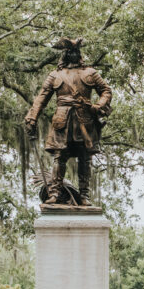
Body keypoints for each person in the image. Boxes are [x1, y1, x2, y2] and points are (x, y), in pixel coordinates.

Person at [25, 36, 112, 204]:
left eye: (75, 51)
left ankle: (84, 195)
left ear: (79, 54)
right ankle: (55, 193)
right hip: (62, 120)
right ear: (64, 54)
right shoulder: (55, 75)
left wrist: (98, 106)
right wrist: (32, 117)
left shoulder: (90, 73)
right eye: (69, 51)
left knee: (84, 158)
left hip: (84, 119)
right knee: (60, 156)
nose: (72, 54)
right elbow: (41, 99)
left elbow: (106, 90)